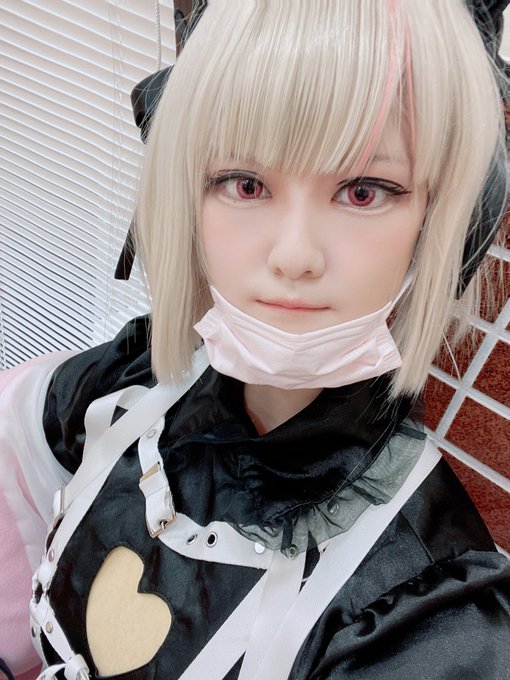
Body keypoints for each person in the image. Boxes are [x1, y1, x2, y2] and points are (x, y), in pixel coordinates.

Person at [1, 1, 509, 678]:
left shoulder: (424, 618)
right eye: (245, 184)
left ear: (443, 224)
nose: (294, 255)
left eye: (364, 191)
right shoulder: (126, 383)